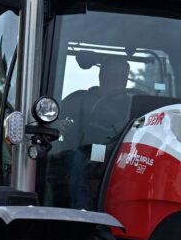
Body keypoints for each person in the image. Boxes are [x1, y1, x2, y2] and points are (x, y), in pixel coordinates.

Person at [55, 56, 131, 208]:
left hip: (123, 154)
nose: (119, 80)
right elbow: (49, 117)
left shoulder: (133, 105)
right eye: (114, 75)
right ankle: (82, 211)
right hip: (86, 151)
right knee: (76, 159)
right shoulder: (79, 99)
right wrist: (57, 124)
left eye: (123, 76)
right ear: (102, 77)